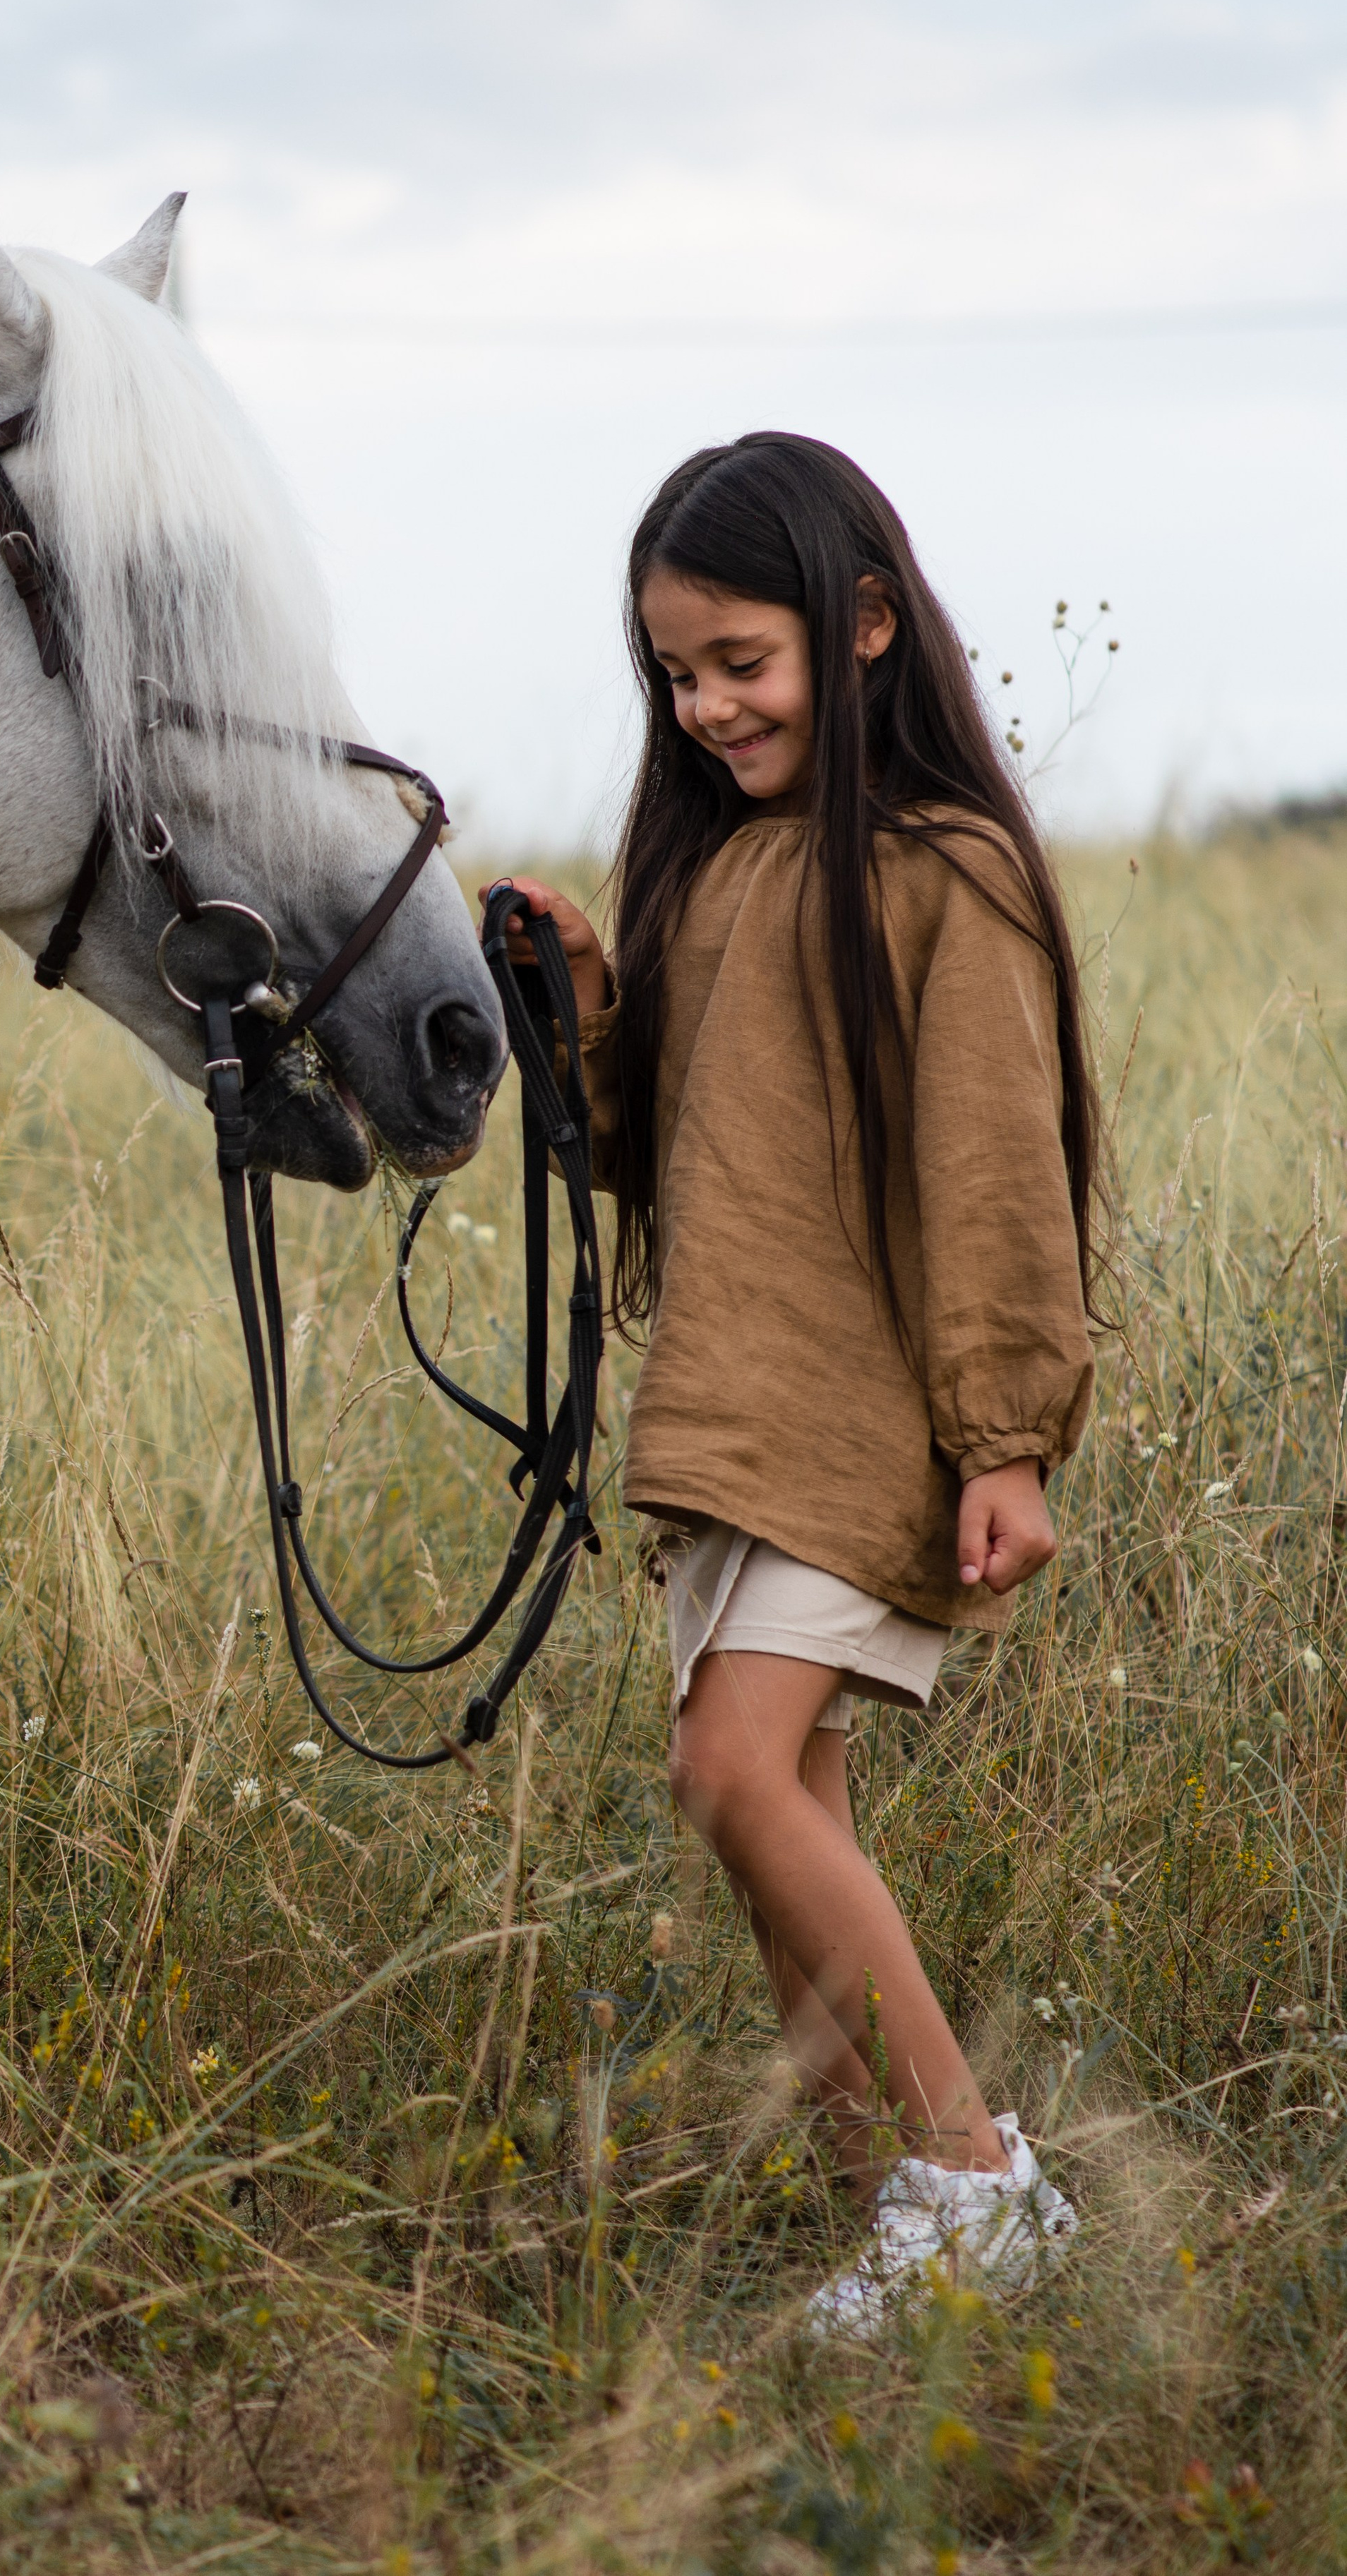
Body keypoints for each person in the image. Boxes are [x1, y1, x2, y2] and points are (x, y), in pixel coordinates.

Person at [489, 433, 1096, 2337]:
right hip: (727, 1421)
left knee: (733, 1769)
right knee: (788, 1810)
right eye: (675, 672)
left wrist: (1006, 1440)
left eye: (741, 659)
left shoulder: (945, 871)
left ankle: (979, 2183)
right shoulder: (716, 870)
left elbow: (999, 1168)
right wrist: (583, 989)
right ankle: (905, 2234)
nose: (706, 703)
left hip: (864, 1424)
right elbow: (660, 1152)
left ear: (865, 624)